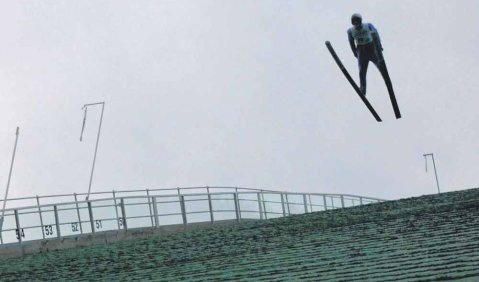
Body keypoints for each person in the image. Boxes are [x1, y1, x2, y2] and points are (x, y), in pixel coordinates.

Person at [347, 13, 390, 96]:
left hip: (371, 48)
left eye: (357, 21)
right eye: (354, 22)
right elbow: (351, 42)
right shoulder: (350, 31)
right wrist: (355, 52)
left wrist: (379, 46)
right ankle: (363, 88)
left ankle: (386, 80)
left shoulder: (368, 26)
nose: (356, 24)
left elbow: (375, 34)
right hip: (361, 51)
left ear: (360, 21)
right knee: (362, 71)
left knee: (380, 66)